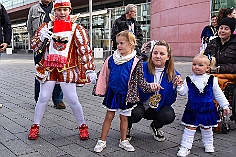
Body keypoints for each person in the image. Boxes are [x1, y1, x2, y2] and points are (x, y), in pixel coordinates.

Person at [28, 0, 96, 141]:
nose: (62, 13)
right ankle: (35, 126)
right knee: (43, 97)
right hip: (49, 67)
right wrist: (41, 38)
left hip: (68, 68)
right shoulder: (46, 26)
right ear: (55, 11)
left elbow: (84, 49)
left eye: (65, 9)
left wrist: (89, 69)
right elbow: (34, 46)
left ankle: (82, 126)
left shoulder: (76, 28)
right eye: (59, 10)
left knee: (72, 99)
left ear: (69, 10)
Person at [93, 30, 157, 153]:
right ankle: (102, 140)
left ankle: (123, 141)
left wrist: (150, 87)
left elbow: (140, 80)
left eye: (122, 43)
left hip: (126, 95)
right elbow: (104, 74)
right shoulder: (111, 59)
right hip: (113, 93)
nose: (119, 46)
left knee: (124, 118)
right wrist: (94, 78)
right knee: (109, 116)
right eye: (117, 43)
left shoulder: (136, 61)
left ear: (131, 44)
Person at [176, 54, 230, 157]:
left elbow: (218, 94)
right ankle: (185, 147)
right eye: (194, 64)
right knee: (189, 128)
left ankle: (208, 144)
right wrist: (179, 86)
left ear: (207, 67)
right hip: (192, 109)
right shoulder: (188, 79)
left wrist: (225, 105)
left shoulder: (212, 80)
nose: (196, 67)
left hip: (208, 109)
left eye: (200, 65)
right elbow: (183, 92)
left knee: (207, 128)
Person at [127, 40, 182, 141]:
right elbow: (131, 88)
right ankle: (127, 126)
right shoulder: (141, 67)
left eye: (162, 54)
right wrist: (147, 87)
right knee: (134, 112)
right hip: (140, 104)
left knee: (169, 115)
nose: (158, 56)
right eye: (155, 53)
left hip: (157, 106)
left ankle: (155, 126)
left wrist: (175, 87)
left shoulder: (173, 74)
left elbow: (169, 101)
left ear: (168, 57)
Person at [27, 0, 66, 109]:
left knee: (58, 71)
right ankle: (39, 99)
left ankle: (58, 99)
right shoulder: (34, 9)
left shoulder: (58, 7)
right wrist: (36, 41)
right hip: (40, 46)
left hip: (57, 47)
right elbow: (29, 27)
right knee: (40, 72)